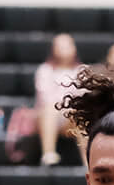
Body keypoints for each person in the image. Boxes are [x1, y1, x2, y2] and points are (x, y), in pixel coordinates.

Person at [35, 34, 83, 167]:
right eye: (60, 46)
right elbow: (45, 98)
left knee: (82, 113)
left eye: (67, 46)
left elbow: (84, 97)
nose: (64, 49)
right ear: (53, 49)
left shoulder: (81, 71)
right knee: (50, 109)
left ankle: (88, 162)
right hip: (48, 117)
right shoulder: (45, 70)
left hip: (71, 119)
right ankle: (48, 154)